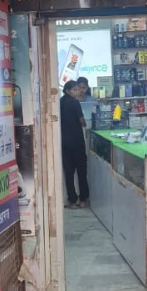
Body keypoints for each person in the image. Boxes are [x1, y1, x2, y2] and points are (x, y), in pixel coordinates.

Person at [60, 80, 89, 208]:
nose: (78, 92)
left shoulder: (60, 102)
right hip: (77, 142)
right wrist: (84, 123)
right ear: (68, 91)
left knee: (69, 172)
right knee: (82, 172)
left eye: (78, 89)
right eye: (75, 90)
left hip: (65, 142)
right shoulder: (75, 103)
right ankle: (83, 200)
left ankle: (72, 201)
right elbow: (82, 121)